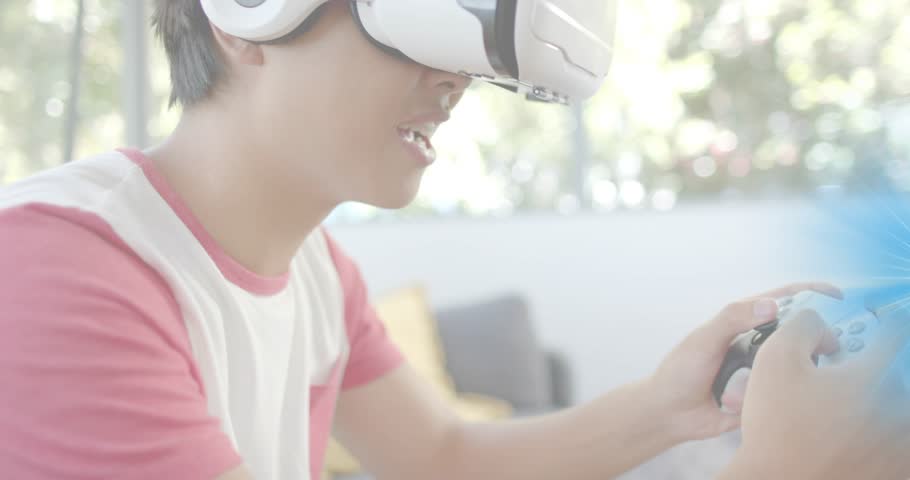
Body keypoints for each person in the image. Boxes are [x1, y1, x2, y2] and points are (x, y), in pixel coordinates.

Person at [1, 1, 909, 479]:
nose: (457, 81)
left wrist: (669, 406)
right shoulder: (60, 267)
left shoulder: (318, 272)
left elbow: (444, 459)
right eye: (408, 33)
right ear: (249, 14)